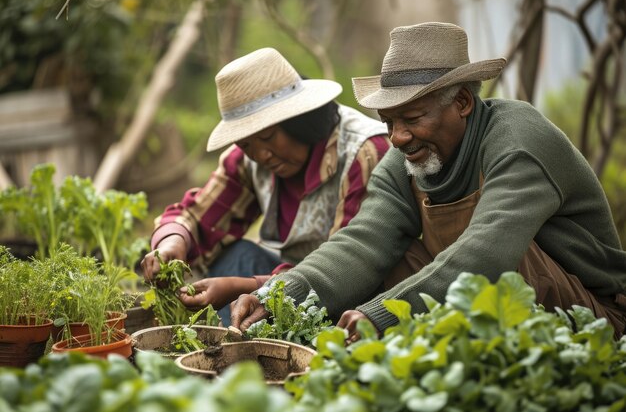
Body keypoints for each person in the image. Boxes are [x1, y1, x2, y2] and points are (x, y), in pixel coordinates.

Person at [231, 22, 626, 339]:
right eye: (389, 123)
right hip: (489, 302)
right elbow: (363, 241)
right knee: (382, 261)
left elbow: (487, 255)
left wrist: (382, 314)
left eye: (413, 119)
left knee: (505, 259)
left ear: (462, 103)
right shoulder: (407, 157)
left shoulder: (518, 140)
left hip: (593, 316)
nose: (398, 137)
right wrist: (281, 294)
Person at [141, 47, 389, 325]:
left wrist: (245, 287)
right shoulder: (248, 161)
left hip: (351, 292)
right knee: (235, 256)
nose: (262, 155)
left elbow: (350, 263)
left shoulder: (362, 152)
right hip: (286, 281)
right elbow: (200, 214)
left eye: (269, 137)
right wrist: (172, 240)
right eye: (247, 144)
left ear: (300, 119)